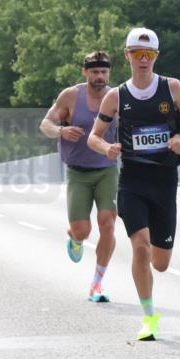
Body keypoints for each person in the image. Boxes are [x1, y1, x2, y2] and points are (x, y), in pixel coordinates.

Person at [88, 28, 180, 341]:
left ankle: (152, 276)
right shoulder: (116, 97)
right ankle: (149, 317)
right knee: (139, 245)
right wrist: (107, 149)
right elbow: (93, 136)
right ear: (127, 55)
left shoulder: (171, 88)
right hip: (132, 181)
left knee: (161, 263)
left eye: (148, 54)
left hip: (164, 181)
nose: (142, 59)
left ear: (155, 57)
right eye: (136, 54)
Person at [40, 51, 120, 302]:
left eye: (104, 72)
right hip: (77, 172)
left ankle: (97, 283)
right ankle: (75, 236)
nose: (100, 77)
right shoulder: (71, 96)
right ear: (85, 72)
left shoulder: (117, 96)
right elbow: (46, 124)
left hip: (107, 169)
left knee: (107, 222)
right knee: (83, 230)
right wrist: (62, 131)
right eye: (95, 72)